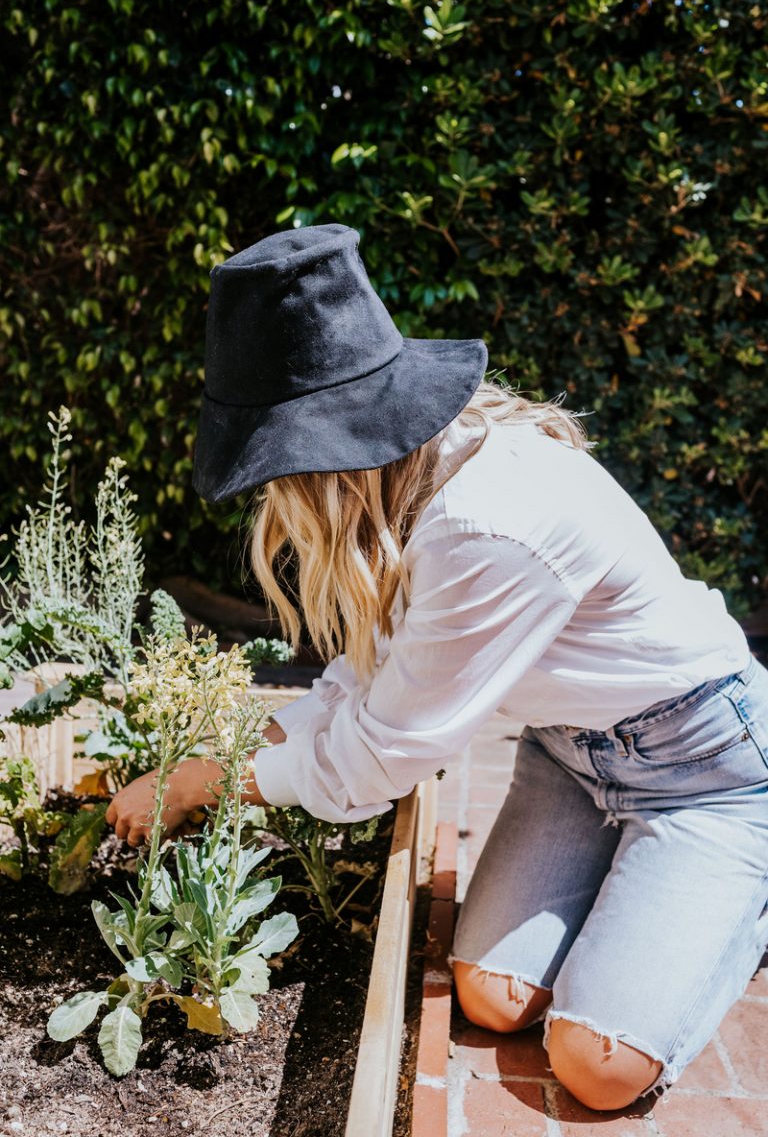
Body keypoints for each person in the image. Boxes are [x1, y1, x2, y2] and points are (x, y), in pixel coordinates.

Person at [107, 224, 768, 1112]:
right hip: (572, 758)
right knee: (492, 998)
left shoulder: (485, 522)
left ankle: (723, 877)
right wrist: (237, 753)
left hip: (706, 768)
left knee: (594, 1064)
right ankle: (644, 889)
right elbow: (365, 678)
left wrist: (204, 782)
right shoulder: (417, 477)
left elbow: (381, 759)